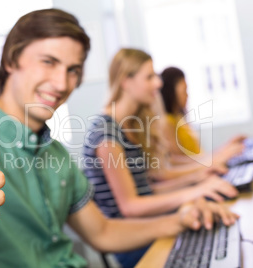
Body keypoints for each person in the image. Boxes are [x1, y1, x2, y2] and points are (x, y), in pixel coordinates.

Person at [0, 10, 238, 268]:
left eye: (72, 70)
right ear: (12, 60)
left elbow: (102, 233)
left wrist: (181, 218)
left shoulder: (56, 154)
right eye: (48, 62)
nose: (62, 82)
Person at [83, 48, 239, 267]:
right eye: (149, 77)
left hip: (151, 225)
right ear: (125, 82)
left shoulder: (127, 125)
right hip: (134, 241)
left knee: (221, 226)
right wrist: (193, 189)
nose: (158, 83)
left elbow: (149, 188)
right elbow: (130, 206)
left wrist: (197, 183)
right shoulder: (105, 135)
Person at [160, 66, 245, 163]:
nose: (187, 95)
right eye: (184, 90)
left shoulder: (179, 118)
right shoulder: (167, 122)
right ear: (171, 92)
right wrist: (221, 155)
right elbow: (180, 161)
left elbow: (198, 156)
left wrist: (226, 148)